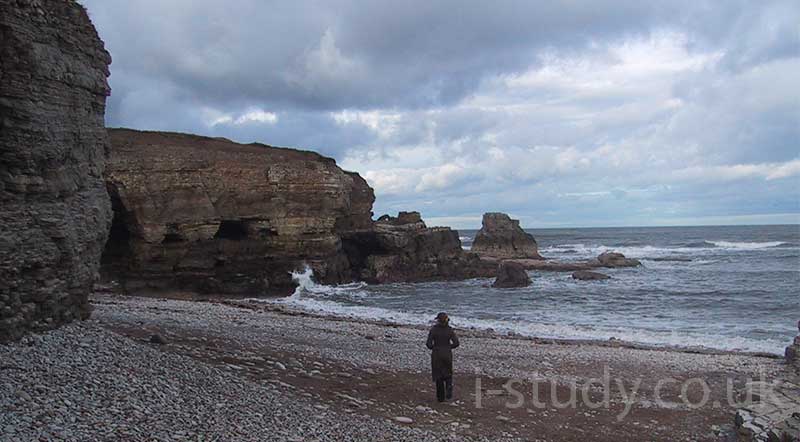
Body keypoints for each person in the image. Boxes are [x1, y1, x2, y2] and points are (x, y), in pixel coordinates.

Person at [426, 312, 460, 402]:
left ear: (438, 320)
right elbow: (456, 343)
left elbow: (428, 344)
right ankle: (449, 392)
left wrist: (435, 347)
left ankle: (440, 398)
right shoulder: (450, 330)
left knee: (438, 376)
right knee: (448, 373)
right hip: (447, 354)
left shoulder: (434, 330)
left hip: (436, 354)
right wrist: (449, 347)